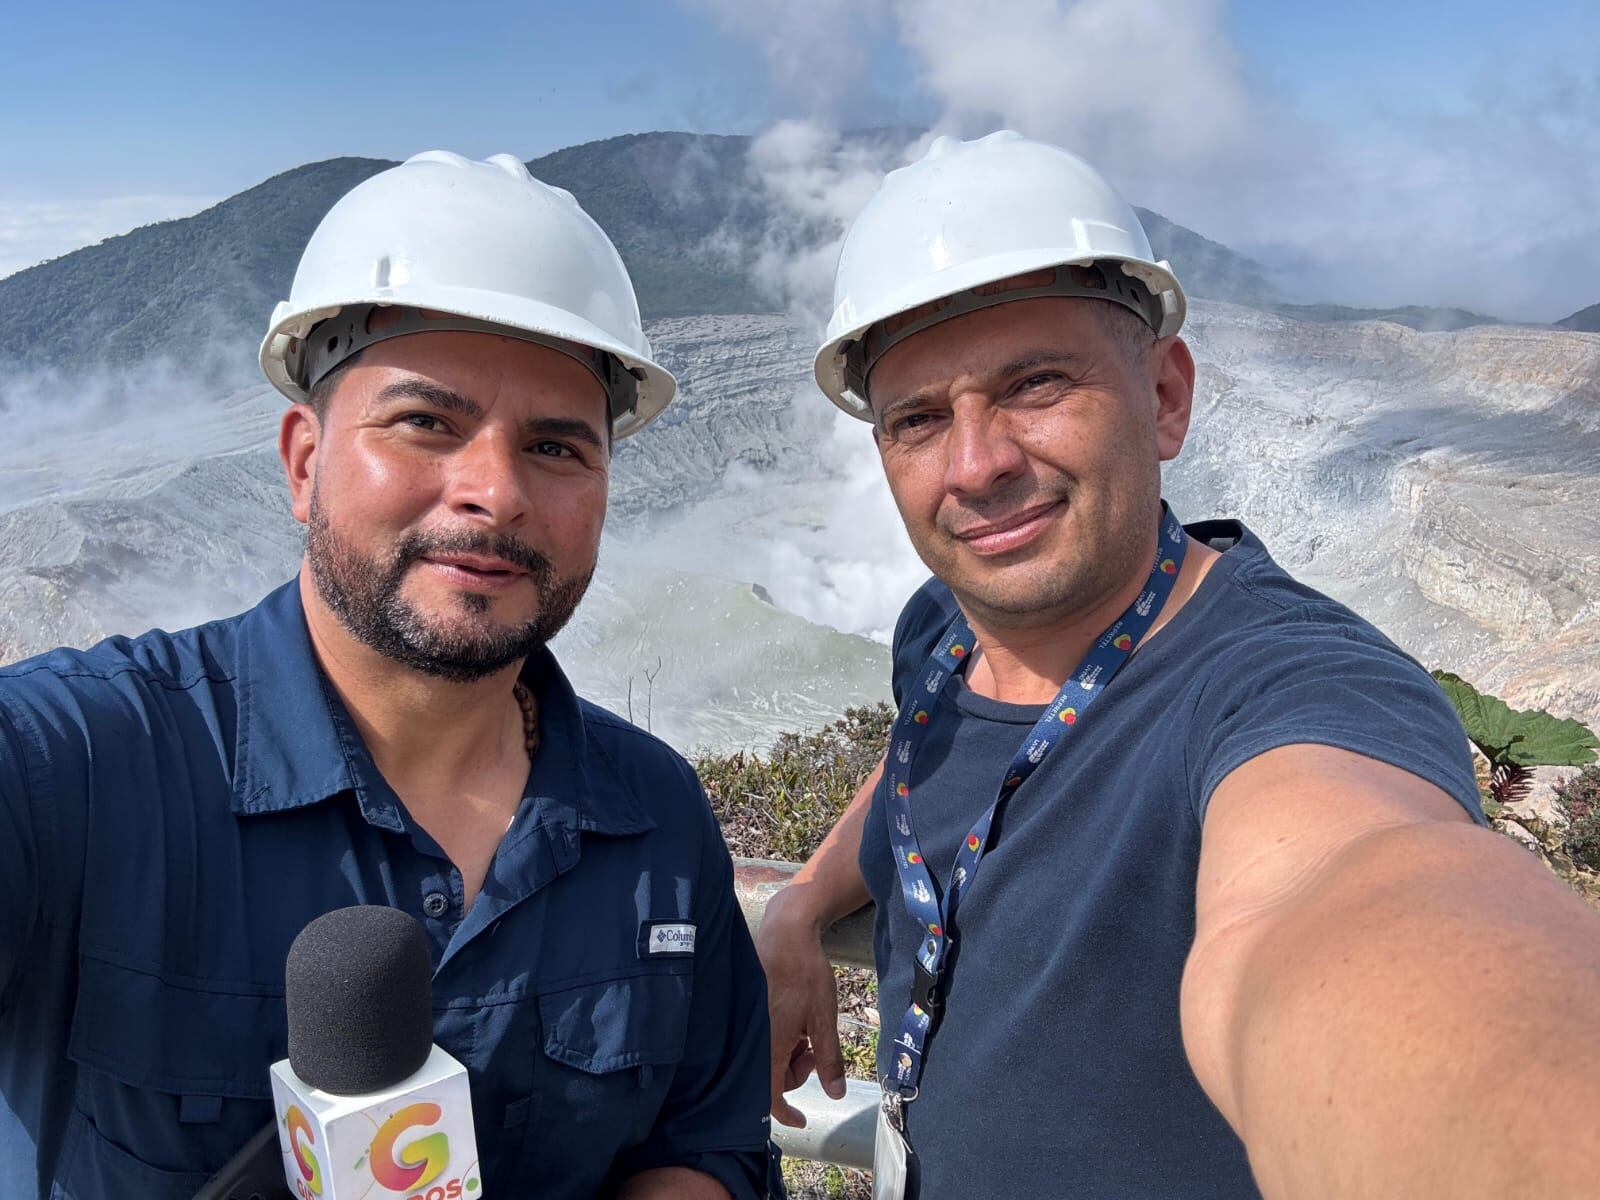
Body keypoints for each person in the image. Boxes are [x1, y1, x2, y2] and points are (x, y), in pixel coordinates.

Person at [756, 131, 1600, 1198]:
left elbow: (1350, 890)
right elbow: (924, 752)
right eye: (918, 418)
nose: (976, 466)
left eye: (1035, 384)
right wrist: (801, 900)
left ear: (1163, 395)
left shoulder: (1288, 686)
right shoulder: (945, 626)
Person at [0, 151, 773, 1200]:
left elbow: (699, 1140)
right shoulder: (86, 770)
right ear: (303, 461)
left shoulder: (656, 816)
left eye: (555, 447)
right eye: (427, 423)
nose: (493, 493)